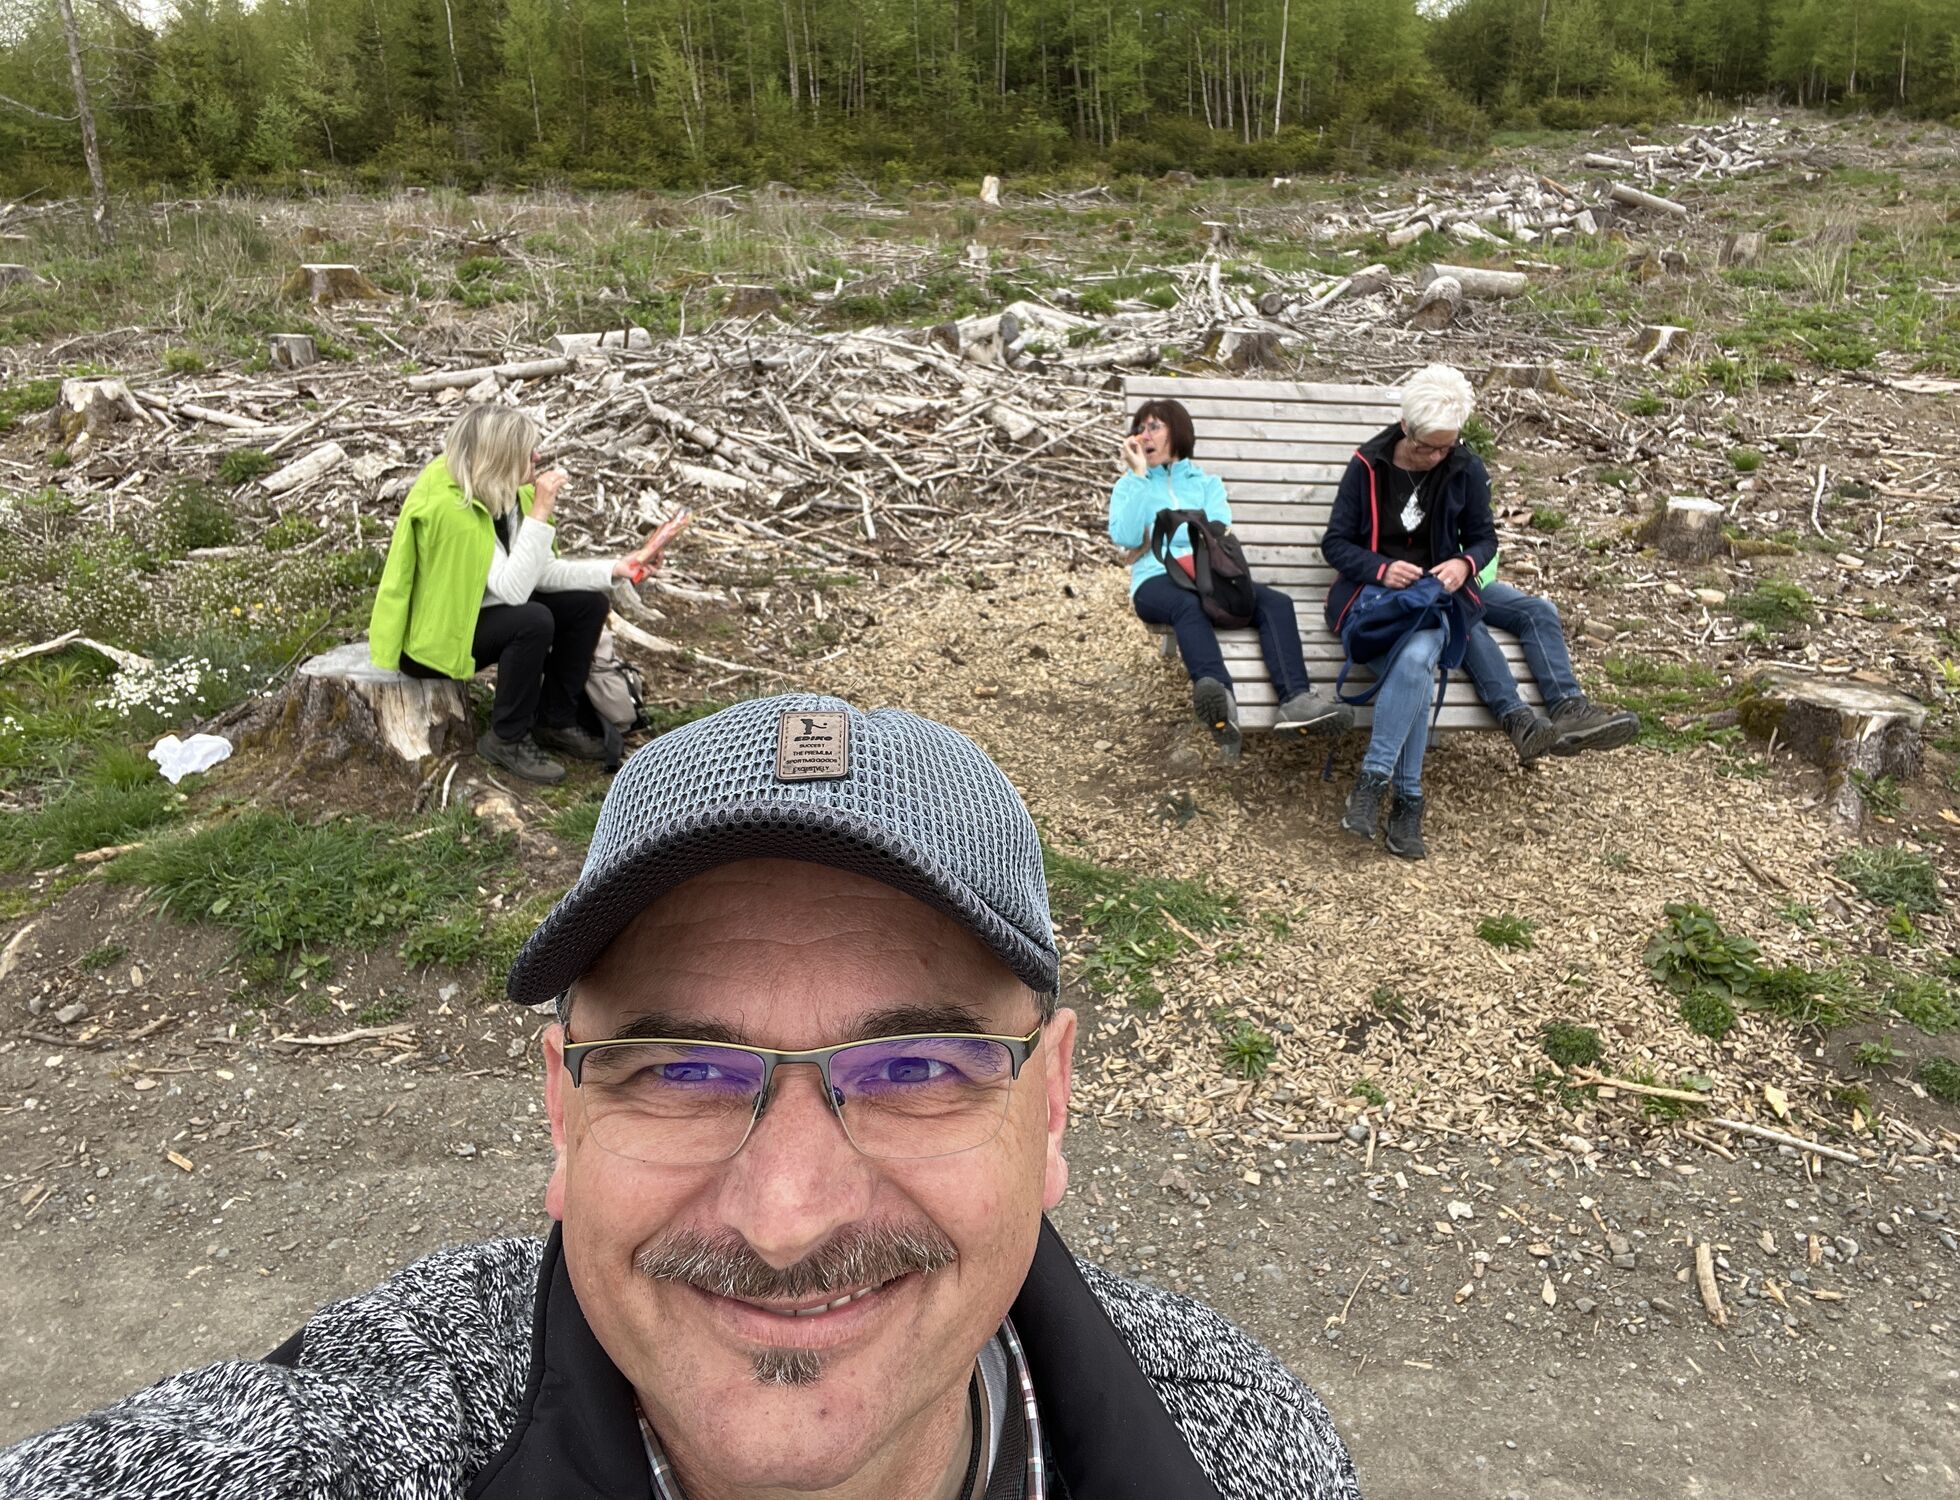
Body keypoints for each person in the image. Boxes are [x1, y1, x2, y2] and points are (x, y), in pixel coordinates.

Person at [0, 694, 1363, 1500]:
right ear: (563, 1115)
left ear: (1050, 1104)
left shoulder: (1254, 1449)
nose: (785, 1217)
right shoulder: (360, 1441)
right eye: (679, 1071)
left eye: (914, 1069)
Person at [367, 403, 657, 787]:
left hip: (477, 615)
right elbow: (515, 591)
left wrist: (614, 569)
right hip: (431, 644)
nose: (537, 456)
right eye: (527, 450)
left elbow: (542, 572)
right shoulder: (451, 507)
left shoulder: (505, 492)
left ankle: (555, 719)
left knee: (587, 604)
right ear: (501, 456)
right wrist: (540, 513)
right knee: (531, 620)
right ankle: (506, 737)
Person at [1320, 365, 1496, 861]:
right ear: (1405, 427)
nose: (1437, 457)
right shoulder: (1367, 464)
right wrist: (1380, 568)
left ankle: (1372, 784)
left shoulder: (1464, 467)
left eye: (1446, 447)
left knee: (1417, 658)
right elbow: (1335, 543)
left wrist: (1464, 564)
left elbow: (1484, 539)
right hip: (1373, 604)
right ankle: (1407, 798)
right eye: (1426, 448)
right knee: (1415, 667)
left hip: (1434, 603)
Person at [1110, 397, 1349, 760]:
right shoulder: (1130, 485)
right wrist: (1140, 476)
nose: (1144, 436)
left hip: (1208, 574)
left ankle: (1296, 701)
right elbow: (1127, 537)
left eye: (1154, 427)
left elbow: (1217, 530)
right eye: (1139, 429)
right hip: (1156, 579)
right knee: (1187, 605)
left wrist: (1171, 526)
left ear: (1178, 433)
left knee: (1276, 603)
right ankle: (1220, 701)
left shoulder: (1207, 484)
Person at [1460, 596, 1639, 765]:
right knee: (1465, 618)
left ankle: (1569, 708)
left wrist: (1467, 572)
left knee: (1540, 612)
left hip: (1473, 584)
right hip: (1447, 594)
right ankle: (1517, 721)